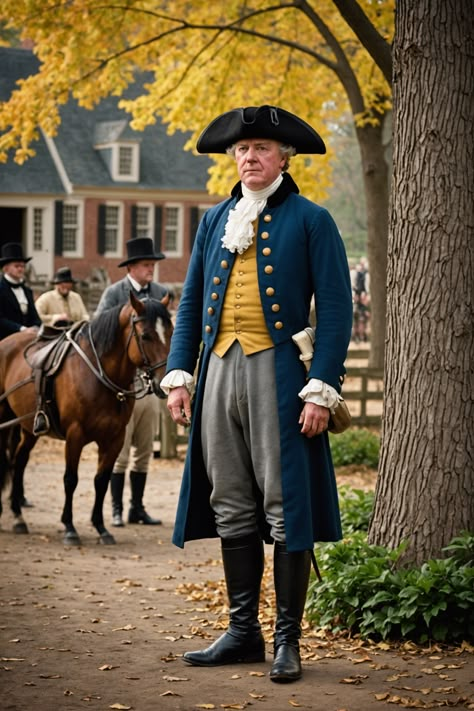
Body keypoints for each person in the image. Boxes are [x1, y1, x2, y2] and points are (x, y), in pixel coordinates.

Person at [161, 105, 353, 683]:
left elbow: (338, 311)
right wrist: (179, 375)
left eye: (262, 149)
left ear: (284, 158)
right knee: (232, 501)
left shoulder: (313, 220)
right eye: (242, 151)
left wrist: (321, 390)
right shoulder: (215, 220)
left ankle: (288, 641)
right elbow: (192, 302)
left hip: (281, 375)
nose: (250, 158)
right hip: (218, 370)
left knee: (283, 504)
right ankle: (244, 631)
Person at [95, 237, 169, 528]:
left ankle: (136, 507)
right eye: (146, 265)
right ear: (132, 267)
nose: (151, 269)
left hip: (151, 383)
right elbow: (97, 332)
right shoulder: (114, 293)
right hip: (122, 386)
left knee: (144, 447)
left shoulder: (162, 293)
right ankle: (115, 508)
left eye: (152, 264)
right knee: (120, 449)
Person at [0, 241, 42, 506]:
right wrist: (20, 329)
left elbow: (36, 317)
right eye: (17, 265)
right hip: (4, 344)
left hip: (26, 345)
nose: (21, 269)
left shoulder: (26, 289)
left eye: (23, 265)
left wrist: (36, 328)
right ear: (6, 267)